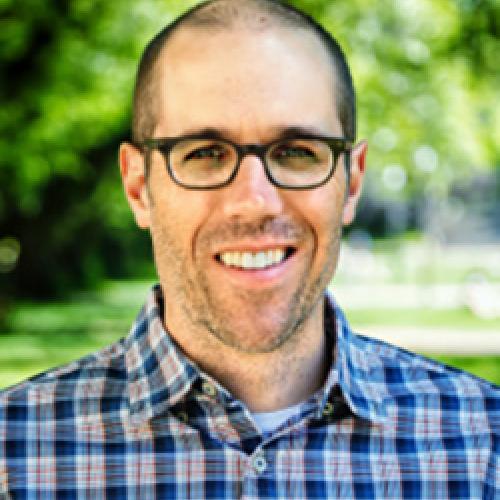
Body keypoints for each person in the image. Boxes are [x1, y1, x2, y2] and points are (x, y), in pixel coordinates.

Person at [0, 0, 498, 497]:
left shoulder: (484, 449)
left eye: (297, 153)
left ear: (351, 183)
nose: (254, 202)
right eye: (205, 154)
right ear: (138, 187)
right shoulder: (12, 457)